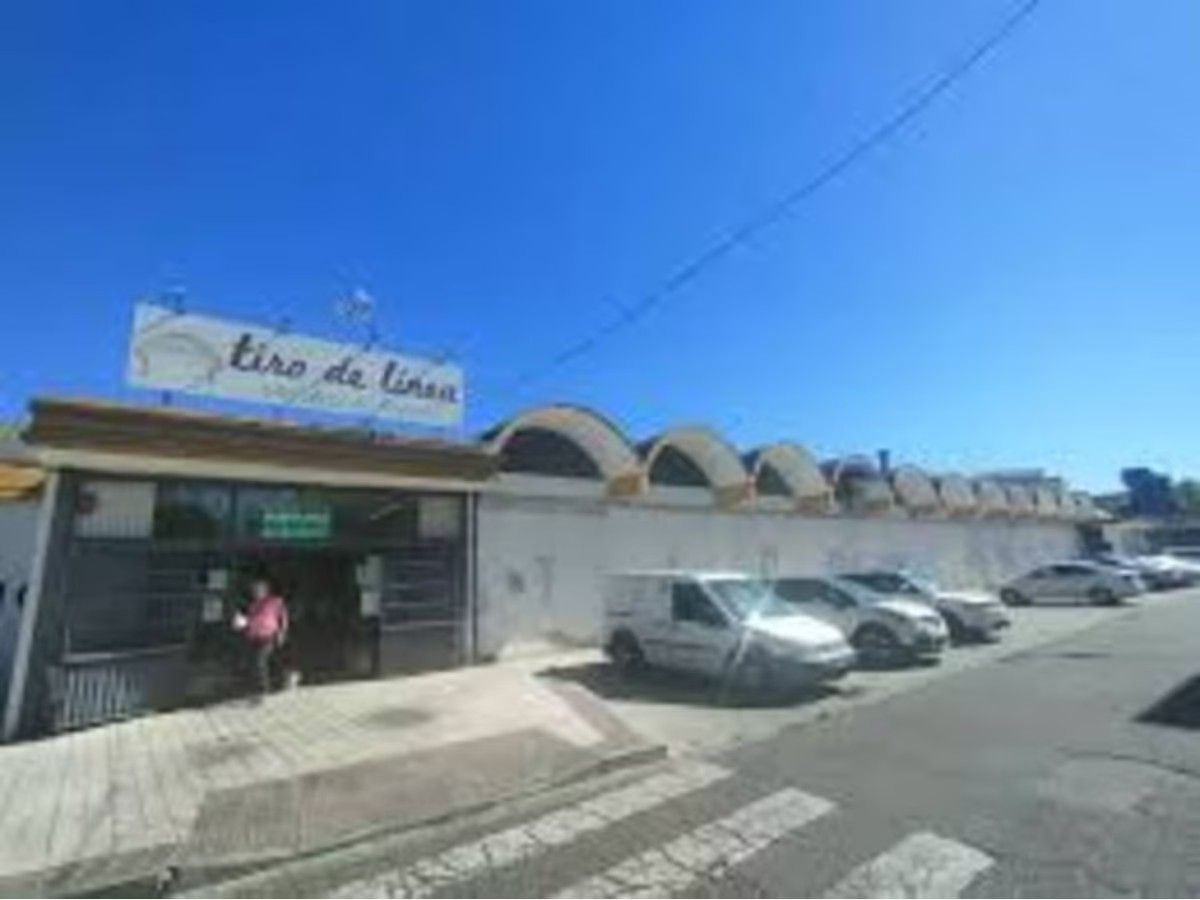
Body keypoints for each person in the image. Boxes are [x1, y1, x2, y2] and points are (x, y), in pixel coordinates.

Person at [236, 578, 289, 696]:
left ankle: (263, 689)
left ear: (266, 590)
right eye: (254, 590)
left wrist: (282, 632)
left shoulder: (275, 602)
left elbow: (283, 618)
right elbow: (252, 621)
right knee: (258, 663)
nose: (256, 592)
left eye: (259, 590)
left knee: (260, 662)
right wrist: (243, 625)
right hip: (254, 637)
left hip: (268, 636)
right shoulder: (253, 605)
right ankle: (267, 684)